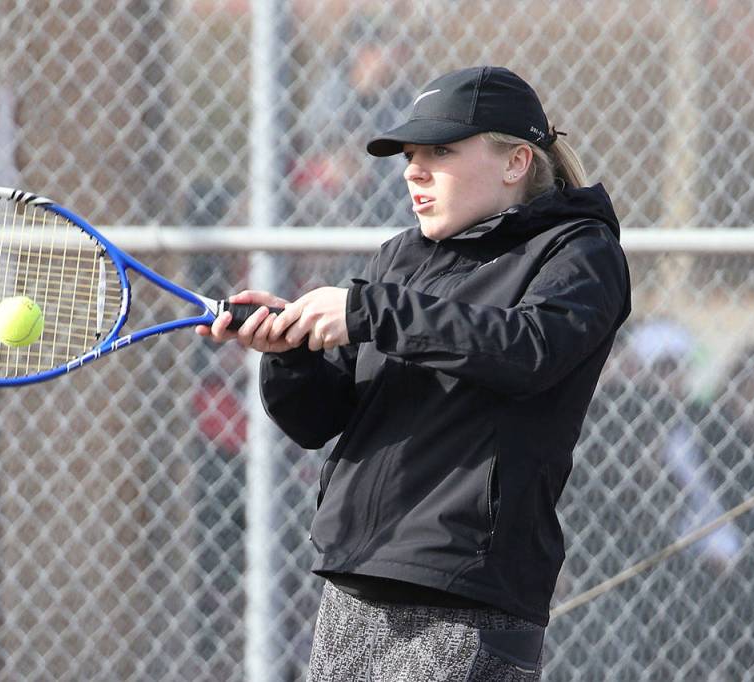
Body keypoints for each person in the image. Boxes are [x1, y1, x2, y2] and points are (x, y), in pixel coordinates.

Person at [197, 66, 632, 680]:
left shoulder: (577, 251)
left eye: (441, 151)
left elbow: (530, 350)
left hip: (463, 599)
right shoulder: (399, 258)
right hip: (356, 583)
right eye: (409, 155)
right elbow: (318, 420)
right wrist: (289, 353)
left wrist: (371, 310)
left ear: (515, 163)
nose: (413, 170)